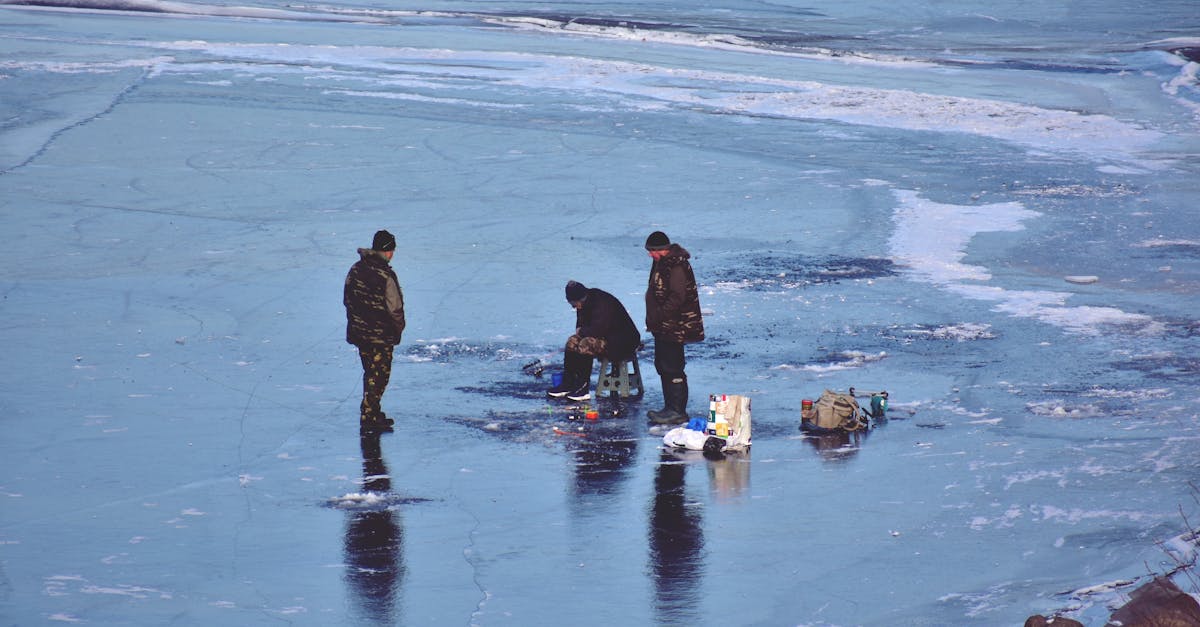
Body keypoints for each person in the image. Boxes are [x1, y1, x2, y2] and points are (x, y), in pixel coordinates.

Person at [344, 230, 406, 432]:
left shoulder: (356, 269)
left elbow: (347, 299)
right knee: (379, 375)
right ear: (389, 251)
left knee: (370, 372)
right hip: (380, 335)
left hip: (360, 332)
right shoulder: (385, 275)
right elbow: (394, 307)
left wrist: (356, 322)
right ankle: (369, 415)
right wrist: (398, 328)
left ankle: (373, 411)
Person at [644, 231, 704, 424]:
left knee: (673, 366)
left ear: (662, 250)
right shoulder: (661, 263)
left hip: (675, 325)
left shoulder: (676, 266)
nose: (650, 255)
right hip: (663, 325)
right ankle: (669, 407)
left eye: (652, 251)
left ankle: (677, 410)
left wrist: (660, 315)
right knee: (662, 365)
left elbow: (678, 297)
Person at [546, 280, 641, 402]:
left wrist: (582, 332)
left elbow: (596, 330)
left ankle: (583, 388)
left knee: (586, 345)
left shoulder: (602, 303)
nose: (575, 307)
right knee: (572, 342)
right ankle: (568, 383)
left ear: (581, 299)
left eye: (575, 304)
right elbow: (581, 327)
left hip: (622, 341)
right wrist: (580, 333)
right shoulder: (583, 304)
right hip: (606, 336)